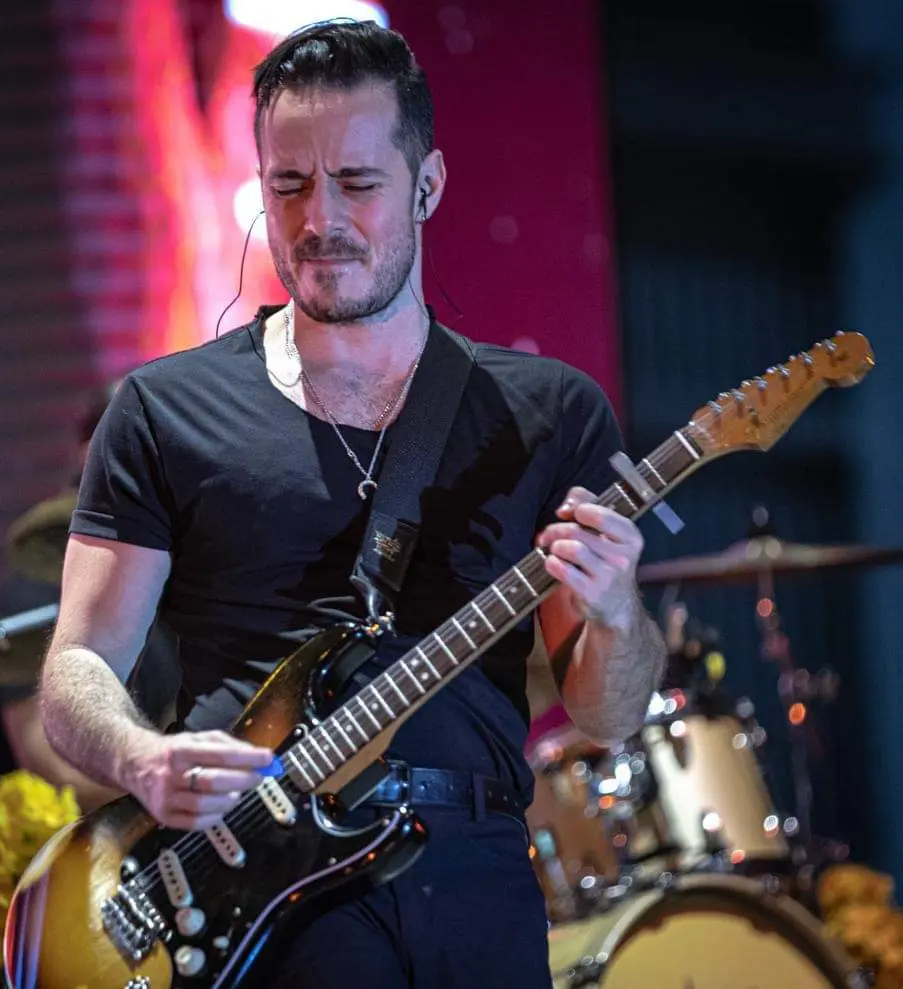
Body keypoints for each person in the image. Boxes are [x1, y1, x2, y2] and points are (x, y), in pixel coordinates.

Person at [38, 21, 667, 987]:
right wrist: (137, 757)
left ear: (428, 185)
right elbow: (76, 666)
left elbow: (607, 711)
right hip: (260, 901)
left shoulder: (550, 414)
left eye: (358, 183)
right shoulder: (164, 410)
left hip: (476, 886)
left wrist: (617, 611)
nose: (319, 219)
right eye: (289, 184)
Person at [0, 384, 180, 813]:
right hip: (90, 829)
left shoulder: (183, 570)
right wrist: (163, 794)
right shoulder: (40, 582)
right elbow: (45, 757)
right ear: (88, 454)